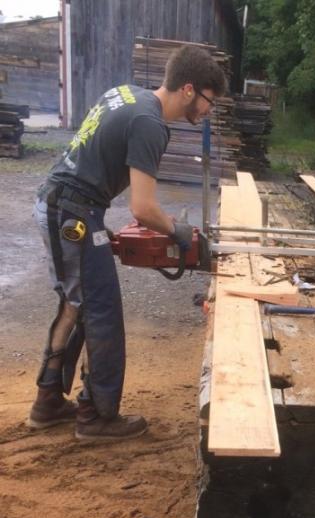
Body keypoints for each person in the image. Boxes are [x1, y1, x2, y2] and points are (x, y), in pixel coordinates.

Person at [28, 46, 226, 440]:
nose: (208, 111)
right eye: (208, 101)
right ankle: (96, 417)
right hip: (74, 213)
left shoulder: (126, 93)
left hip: (59, 205)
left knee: (75, 304)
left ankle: (47, 401)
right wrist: (179, 232)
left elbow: (93, 160)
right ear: (189, 89)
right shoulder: (151, 124)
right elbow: (144, 208)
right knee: (101, 311)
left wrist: (99, 229)